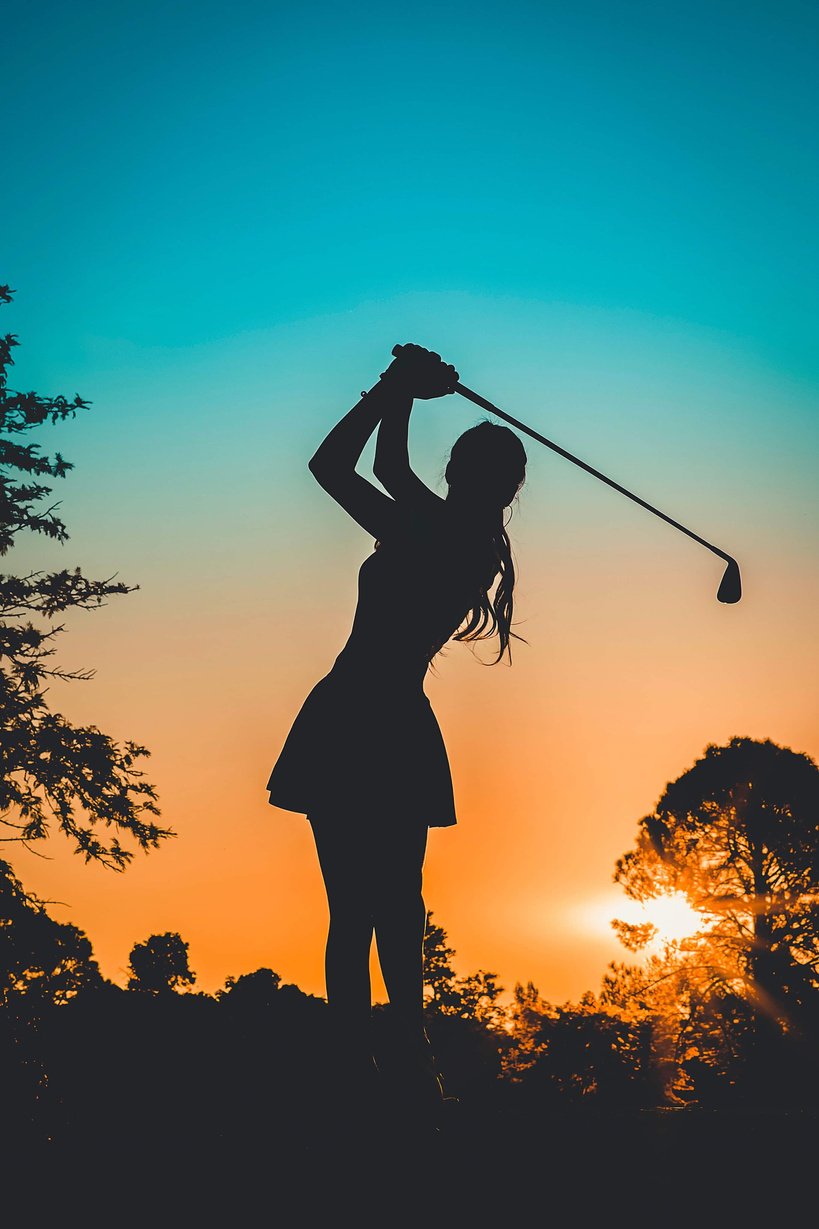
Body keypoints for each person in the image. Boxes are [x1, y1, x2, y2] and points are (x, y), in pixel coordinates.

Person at [265, 344, 527, 1120]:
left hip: (352, 716)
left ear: (465, 475)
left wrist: (396, 386)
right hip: (385, 723)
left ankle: (384, 1070)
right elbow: (376, 464)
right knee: (384, 905)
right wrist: (401, 390)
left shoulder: (444, 534)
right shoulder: (452, 534)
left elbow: (336, 464)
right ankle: (387, 1070)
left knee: (366, 908)